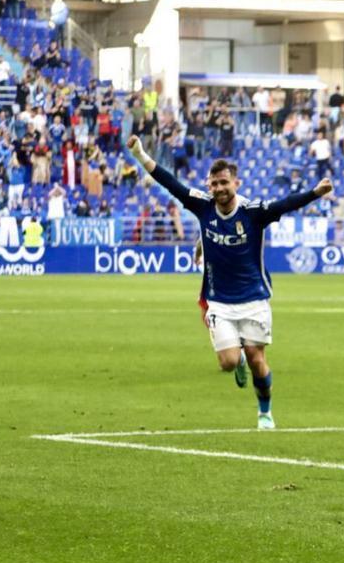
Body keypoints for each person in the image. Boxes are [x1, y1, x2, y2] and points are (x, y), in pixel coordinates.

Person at [126, 135, 333, 430]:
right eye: (215, 184)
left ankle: (265, 412)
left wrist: (315, 193)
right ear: (209, 186)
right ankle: (239, 363)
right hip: (220, 301)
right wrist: (139, 153)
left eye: (225, 183)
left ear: (236, 183)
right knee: (228, 362)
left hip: (254, 298)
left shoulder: (253, 212)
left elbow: (284, 205)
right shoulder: (202, 206)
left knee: (257, 358)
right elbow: (169, 182)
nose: (220, 189)